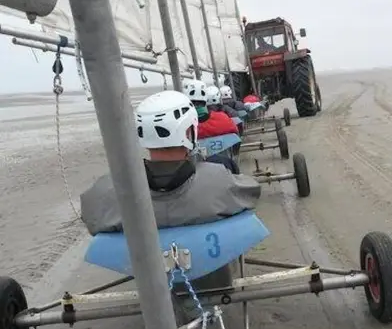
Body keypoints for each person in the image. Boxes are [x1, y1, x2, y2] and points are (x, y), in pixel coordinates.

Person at [80, 90, 261, 233]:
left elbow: (90, 216)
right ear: (189, 132)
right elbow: (251, 192)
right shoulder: (218, 180)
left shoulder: (108, 192)